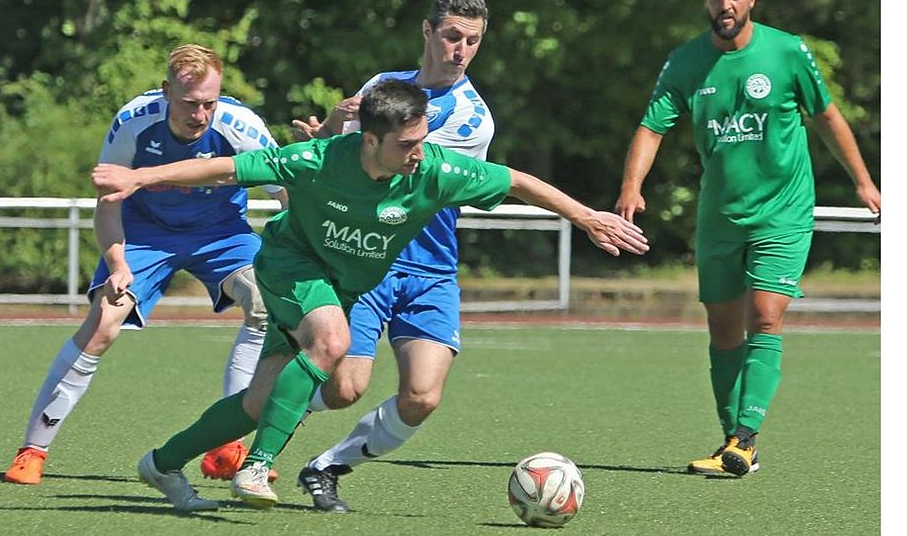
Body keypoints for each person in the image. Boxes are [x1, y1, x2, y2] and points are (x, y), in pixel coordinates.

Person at [92, 79, 650, 511]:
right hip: (289, 267)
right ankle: (257, 466)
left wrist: (584, 216)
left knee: (264, 401)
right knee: (330, 340)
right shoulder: (317, 160)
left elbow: (517, 180)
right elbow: (224, 167)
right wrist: (141, 178)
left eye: (422, 139)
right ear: (370, 140)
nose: (418, 152)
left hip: (343, 284)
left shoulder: (435, 170)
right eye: (406, 144)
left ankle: (162, 464)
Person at [614, 0, 881, 477]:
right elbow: (652, 127)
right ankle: (732, 441)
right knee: (722, 328)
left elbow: (827, 116)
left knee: (764, 315)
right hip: (719, 217)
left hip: (783, 212)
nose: (725, 3)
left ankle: (745, 438)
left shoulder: (786, 52)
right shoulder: (685, 61)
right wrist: (631, 187)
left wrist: (863, 181)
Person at [3, 44, 285, 488]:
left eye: (210, 103)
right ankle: (32, 450)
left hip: (223, 235)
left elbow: (288, 196)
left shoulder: (243, 126)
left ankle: (229, 443)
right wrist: (116, 262)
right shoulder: (133, 121)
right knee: (102, 324)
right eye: (190, 103)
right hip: (145, 234)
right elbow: (109, 202)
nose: (200, 115)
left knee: (267, 307)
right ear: (166, 90)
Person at [288, 0, 494, 513]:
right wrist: (330, 128)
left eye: (472, 40)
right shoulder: (382, 87)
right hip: (371, 258)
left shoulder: (471, 119)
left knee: (422, 396)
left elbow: (389, 167)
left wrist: (349, 139)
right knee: (343, 388)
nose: (461, 50)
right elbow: (347, 153)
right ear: (427, 31)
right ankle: (261, 417)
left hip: (429, 269)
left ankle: (327, 466)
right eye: (452, 36)